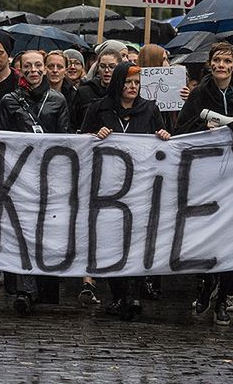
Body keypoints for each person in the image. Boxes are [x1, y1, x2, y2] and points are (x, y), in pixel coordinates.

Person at [175, 42, 233, 326]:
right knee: (205, 237)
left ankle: (224, 296)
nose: (222, 66)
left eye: (227, 61)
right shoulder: (200, 93)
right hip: (208, 174)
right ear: (210, 64)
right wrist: (205, 129)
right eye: (217, 61)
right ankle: (205, 284)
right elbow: (182, 128)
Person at [81, 62, 170, 321]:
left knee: (135, 241)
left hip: (140, 188)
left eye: (137, 83)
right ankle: (118, 294)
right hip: (107, 188)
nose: (132, 87)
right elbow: (80, 140)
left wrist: (164, 134)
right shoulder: (98, 108)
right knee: (111, 242)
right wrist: (94, 135)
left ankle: (132, 294)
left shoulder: (150, 109)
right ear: (118, 83)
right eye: (128, 82)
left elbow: (164, 138)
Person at [0, 50, 71, 315]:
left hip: (49, 175)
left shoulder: (58, 99)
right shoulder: (9, 100)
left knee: (46, 231)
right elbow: (3, 138)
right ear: (19, 68)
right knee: (23, 230)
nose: (34, 70)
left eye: (38, 65)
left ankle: (43, 287)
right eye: (27, 66)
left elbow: (64, 138)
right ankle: (25, 290)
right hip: (20, 175)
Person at [71, 47, 120, 132]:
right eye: (102, 66)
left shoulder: (123, 94)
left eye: (112, 67)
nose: (107, 70)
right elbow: (73, 123)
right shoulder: (84, 92)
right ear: (97, 68)